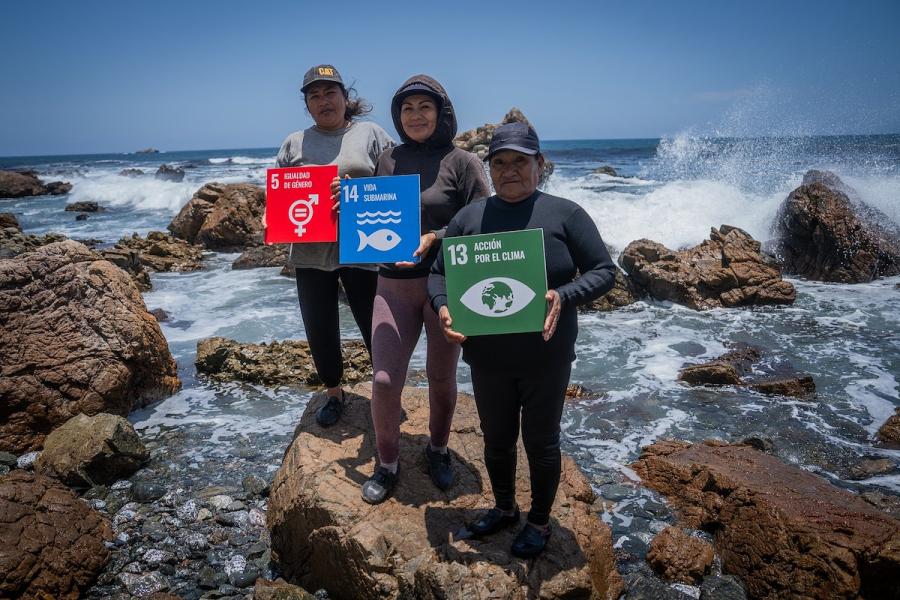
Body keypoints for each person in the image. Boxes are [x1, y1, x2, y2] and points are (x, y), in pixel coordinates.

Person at [427, 122, 616, 558]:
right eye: (499, 162)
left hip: (545, 355)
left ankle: (539, 521)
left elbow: (604, 271)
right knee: (496, 438)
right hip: (487, 355)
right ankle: (505, 507)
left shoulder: (566, 214)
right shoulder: (470, 217)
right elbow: (439, 273)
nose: (509, 171)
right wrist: (442, 307)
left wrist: (563, 295)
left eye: (519, 161)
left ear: (540, 165)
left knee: (541, 441)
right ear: (489, 168)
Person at [359, 75, 490, 504]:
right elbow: (373, 218)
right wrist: (348, 208)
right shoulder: (388, 159)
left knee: (440, 377)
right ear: (398, 116)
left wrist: (437, 236)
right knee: (382, 379)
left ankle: (437, 449)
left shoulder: (462, 162)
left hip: (445, 286)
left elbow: (484, 223)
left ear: (441, 112)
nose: (415, 116)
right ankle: (388, 463)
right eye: (407, 108)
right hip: (391, 285)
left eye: (424, 107)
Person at [271, 64, 394, 427]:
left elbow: (393, 188)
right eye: (315, 95)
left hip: (366, 248)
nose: (324, 101)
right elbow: (280, 193)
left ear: (345, 97)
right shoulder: (294, 142)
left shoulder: (371, 133)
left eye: (330, 93)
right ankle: (334, 393)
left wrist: (355, 194)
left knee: (377, 326)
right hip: (310, 252)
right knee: (319, 326)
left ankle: (385, 392)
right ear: (307, 105)